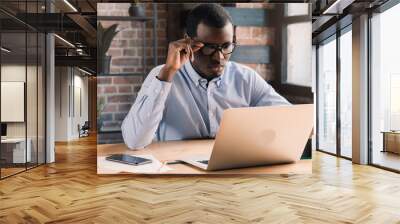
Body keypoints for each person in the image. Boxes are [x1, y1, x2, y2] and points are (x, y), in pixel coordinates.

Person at [121, 3, 290, 149]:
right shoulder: (161, 76)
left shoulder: (246, 78)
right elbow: (134, 141)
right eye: (209, 47)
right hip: (177, 173)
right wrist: (167, 74)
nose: (219, 57)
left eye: (226, 46)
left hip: (231, 171)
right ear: (188, 42)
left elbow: (290, 117)